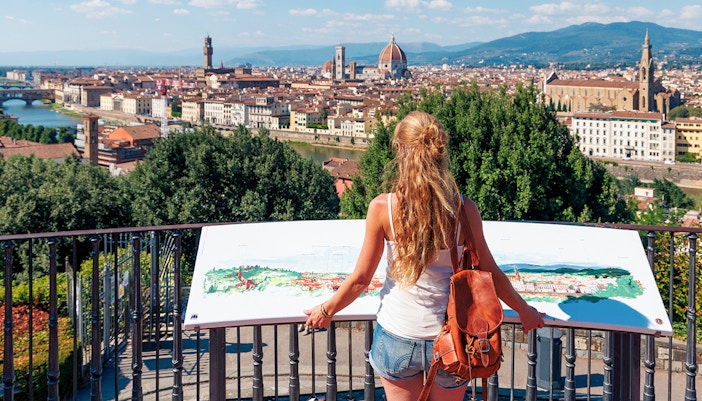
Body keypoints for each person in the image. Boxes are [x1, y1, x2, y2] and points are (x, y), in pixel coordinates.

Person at [304, 111, 545, 401]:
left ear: (401, 150)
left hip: (397, 334)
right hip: (451, 339)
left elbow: (360, 280)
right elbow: (490, 272)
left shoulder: (383, 208)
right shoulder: (464, 210)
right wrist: (524, 310)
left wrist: (326, 310)